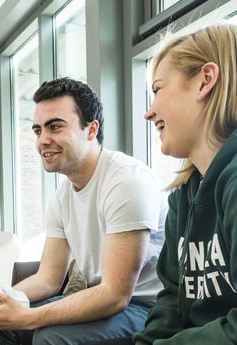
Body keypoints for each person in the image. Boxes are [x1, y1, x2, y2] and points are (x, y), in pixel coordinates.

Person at [0, 78, 168, 345]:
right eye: (38, 130)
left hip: (149, 308)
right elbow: (49, 278)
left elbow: (115, 295)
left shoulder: (126, 182)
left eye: (55, 127)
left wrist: (31, 317)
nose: (43, 140)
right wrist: (3, 297)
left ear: (91, 129)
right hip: (103, 297)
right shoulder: (62, 197)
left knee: (50, 337)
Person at [133, 24, 237, 344]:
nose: (149, 113)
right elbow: (171, 301)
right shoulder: (182, 198)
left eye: (158, 89)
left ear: (205, 81)